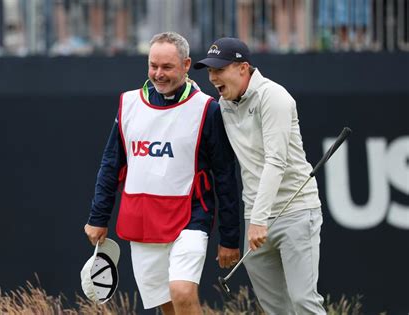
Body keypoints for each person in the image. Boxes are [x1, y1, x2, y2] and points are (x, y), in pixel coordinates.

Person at [84, 32, 240, 315]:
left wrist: (230, 237)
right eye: (153, 65)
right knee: (167, 305)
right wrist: (98, 217)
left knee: (182, 293)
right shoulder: (129, 104)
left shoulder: (207, 109)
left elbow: (226, 176)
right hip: (142, 219)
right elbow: (111, 165)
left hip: (191, 217)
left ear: (186, 64)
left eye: (167, 67)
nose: (158, 74)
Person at [194, 37, 326, 315]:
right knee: (276, 308)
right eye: (209, 71)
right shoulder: (226, 102)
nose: (213, 77)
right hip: (256, 217)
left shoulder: (273, 96)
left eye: (219, 70)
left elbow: (275, 161)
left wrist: (258, 219)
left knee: (303, 301)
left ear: (243, 68)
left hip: (296, 211)